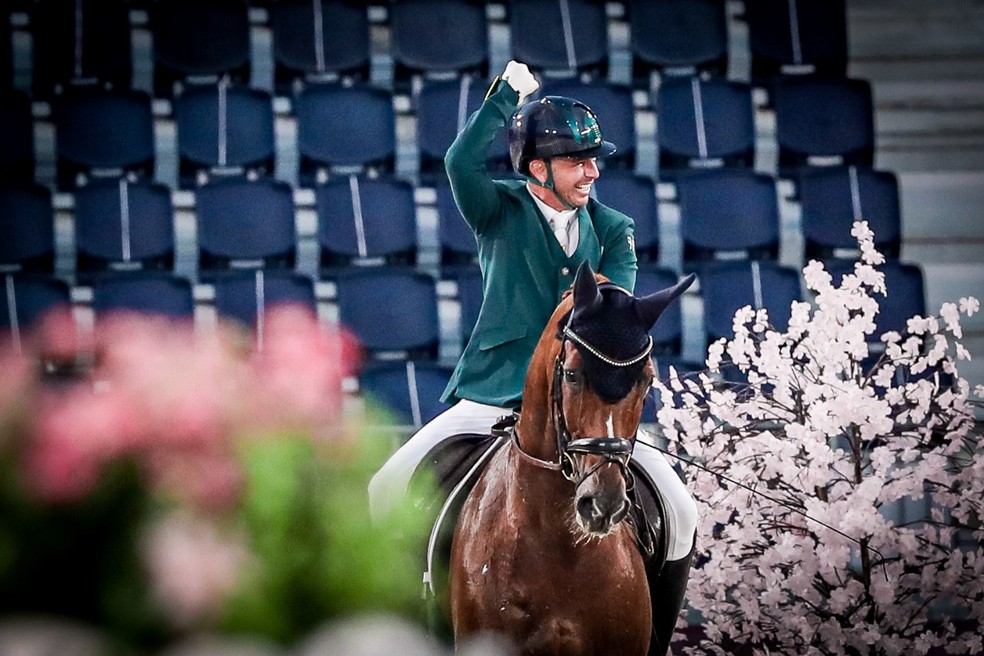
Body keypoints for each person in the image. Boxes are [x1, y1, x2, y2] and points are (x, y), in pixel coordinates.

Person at [368, 61, 696, 656]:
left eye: (595, 160)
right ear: (538, 168)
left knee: (679, 503)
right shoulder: (499, 211)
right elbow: (459, 163)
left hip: (584, 405)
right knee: (385, 488)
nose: (592, 172)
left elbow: (610, 310)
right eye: (578, 161)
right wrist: (502, 101)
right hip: (494, 392)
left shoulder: (614, 227)